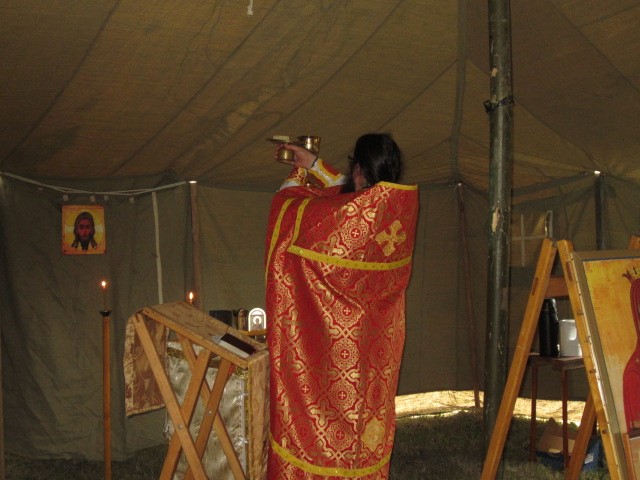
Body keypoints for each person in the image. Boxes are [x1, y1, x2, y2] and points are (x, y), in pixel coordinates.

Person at [264, 133, 419, 479]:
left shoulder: (343, 216)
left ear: (359, 169)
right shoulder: (399, 212)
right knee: (366, 429)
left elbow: (289, 211)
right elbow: (349, 195)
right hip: (377, 352)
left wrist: (297, 176)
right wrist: (314, 165)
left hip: (334, 355)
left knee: (325, 433)